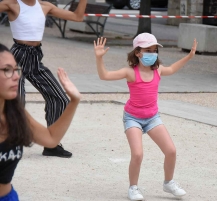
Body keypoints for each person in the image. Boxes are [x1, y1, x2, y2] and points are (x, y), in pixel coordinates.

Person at [93, 33, 198, 200]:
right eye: (148, 50)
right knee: (138, 154)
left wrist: (189, 56)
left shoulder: (159, 70)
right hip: (132, 118)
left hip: (152, 118)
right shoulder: (130, 72)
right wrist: (99, 58)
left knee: (171, 151)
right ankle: (133, 188)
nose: (152, 53)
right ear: (137, 52)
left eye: (154, 50)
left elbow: (171, 69)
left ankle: (168, 183)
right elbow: (104, 76)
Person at [0, 0, 87, 158]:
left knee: (60, 99)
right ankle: (8, 145)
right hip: (17, 57)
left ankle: (51, 145)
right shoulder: (12, 4)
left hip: (35, 58)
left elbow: (77, 17)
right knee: (16, 102)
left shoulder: (45, 6)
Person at [0, 43, 81, 200]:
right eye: (7, 70)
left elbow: (50, 139)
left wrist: (74, 101)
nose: (16, 76)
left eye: (16, 69)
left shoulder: (15, 113)